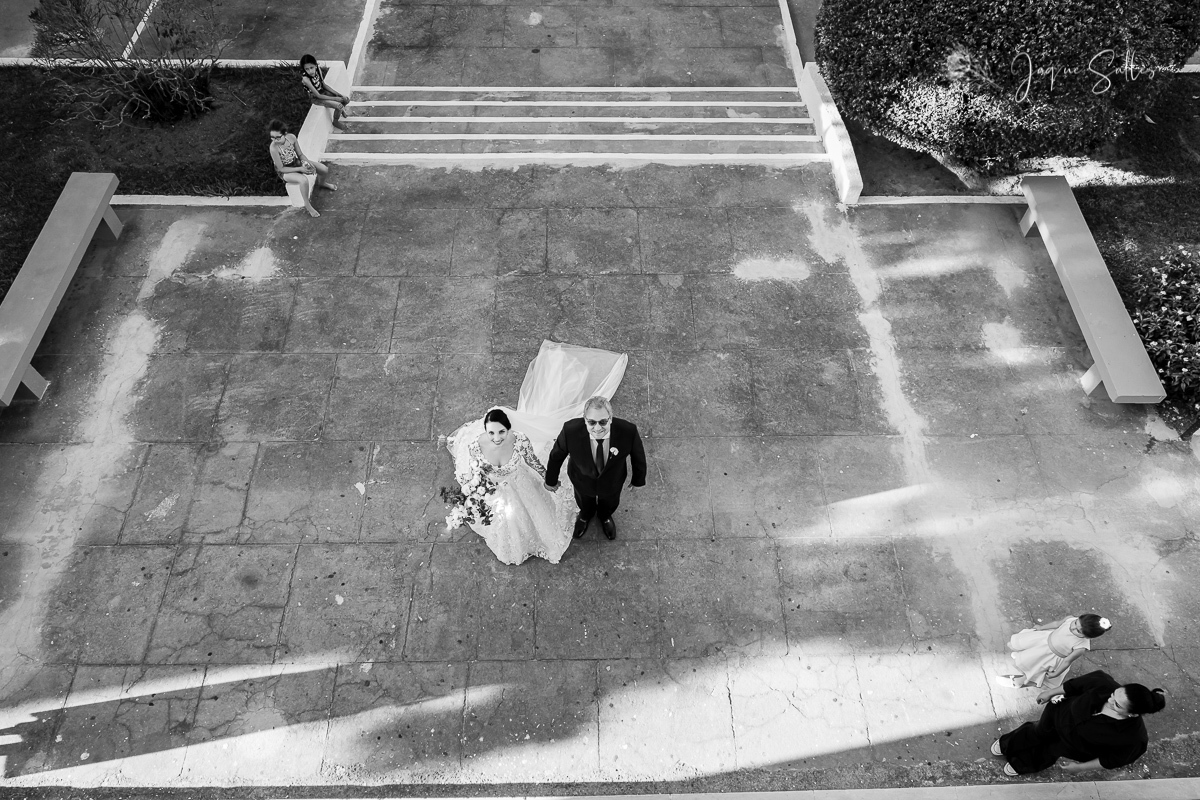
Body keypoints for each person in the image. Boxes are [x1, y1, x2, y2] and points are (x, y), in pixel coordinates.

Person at [440, 340, 630, 564]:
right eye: (491, 433)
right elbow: (475, 471)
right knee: (507, 519)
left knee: (538, 511)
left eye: (501, 432)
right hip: (495, 491)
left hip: (522, 483)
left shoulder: (519, 440)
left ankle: (601, 516)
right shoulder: (475, 446)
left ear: (509, 430)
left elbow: (533, 462)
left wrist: (548, 480)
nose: (497, 438)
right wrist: (475, 490)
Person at [992, 670, 1166, 777]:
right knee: (1036, 731)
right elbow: (1074, 686)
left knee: (1049, 751)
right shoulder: (1103, 683)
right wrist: (1051, 692)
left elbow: (1110, 760)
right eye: (1114, 694)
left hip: (1073, 745)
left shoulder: (1134, 739)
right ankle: (1007, 744)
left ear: (1133, 714)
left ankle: (1021, 764)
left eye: (1117, 705)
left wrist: (1080, 768)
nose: (1109, 700)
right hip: (1057, 714)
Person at [544, 396, 646, 540]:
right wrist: (550, 480)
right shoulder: (570, 430)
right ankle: (585, 516)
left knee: (610, 502)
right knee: (583, 501)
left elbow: (638, 456)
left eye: (603, 422)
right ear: (585, 419)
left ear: (610, 418)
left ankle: (605, 517)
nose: (597, 428)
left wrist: (638, 480)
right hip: (582, 480)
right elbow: (556, 456)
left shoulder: (628, 431)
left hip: (612, 481)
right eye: (591, 422)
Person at [996, 613, 1111, 689]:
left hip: (1050, 657)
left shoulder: (1080, 647)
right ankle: (1024, 657)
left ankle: (1019, 682)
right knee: (1030, 653)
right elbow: (1056, 624)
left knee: (1035, 671)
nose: (1073, 628)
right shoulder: (1070, 619)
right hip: (1044, 641)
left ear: (1087, 637)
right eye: (1076, 623)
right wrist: (1041, 628)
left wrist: (1057, 673)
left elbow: (1067, 661)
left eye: (1078, 631)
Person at [267, 119, 334, 218]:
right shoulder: (273, 148)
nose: (275, 140)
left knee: (323, 169)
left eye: (278, 137)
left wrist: (307, 164)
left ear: (285, 134)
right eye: (272, 137)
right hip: (285, 171)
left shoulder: (291, 138)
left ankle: (322, 183)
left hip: (295, 162)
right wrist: (300, 169)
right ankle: (307, 204)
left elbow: (300, 155)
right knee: (303, 180)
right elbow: (281, 168)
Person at [300, 54, 353, 131]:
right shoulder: (306, 79)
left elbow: (324, 85)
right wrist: (335, 98)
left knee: (346, 99)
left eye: (311, 68)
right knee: (339, 106)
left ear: (315, 65)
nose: (310, 71)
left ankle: (341, 110)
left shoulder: (318, 69)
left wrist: (338, 94)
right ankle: (335, 122)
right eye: (307, 69)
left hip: (323, 91)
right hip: (316, 98)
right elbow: (318, 95)